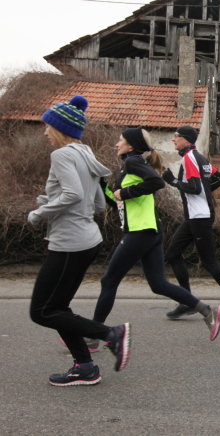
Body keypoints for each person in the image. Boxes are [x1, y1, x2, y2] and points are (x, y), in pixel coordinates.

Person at [28, 95, 132, 386]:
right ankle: (85, 367)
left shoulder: (61, 155)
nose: (45, 132)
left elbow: (73, 195)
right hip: (88, 238)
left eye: (48, 126)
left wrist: (39, 213)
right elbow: (97, 203)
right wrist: (50, 201)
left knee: (42, 311)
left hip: (69, 241)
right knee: (58, 307)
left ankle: (111, 334)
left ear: (60, 128)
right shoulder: (85, 153)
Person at [94, 127, 220, 342]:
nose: (116, 144)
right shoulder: (128, 166)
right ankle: (206, 310)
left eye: (120, 140)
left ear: (131, 145)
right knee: (158, 284)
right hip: (150, 231)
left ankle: (93, 335)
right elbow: (117, 202)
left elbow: (156, 182)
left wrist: (125, 192)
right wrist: (101, 183)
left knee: (108, 281)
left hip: (141, 231)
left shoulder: (133, 162)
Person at [161, 125, 220, 323]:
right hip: (193, 216)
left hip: (200, 217)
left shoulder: (190, 157)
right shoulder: (200, 158)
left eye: (176, 136)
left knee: (209, 262)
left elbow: (194, 187)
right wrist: (205, 193)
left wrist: (173, 181)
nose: (173, 139)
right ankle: (187, 302)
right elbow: (219, 178)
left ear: (186, 139)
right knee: (172, 254)